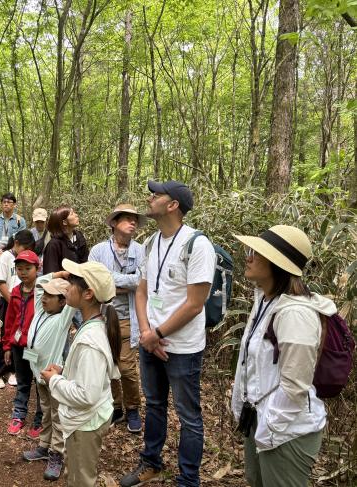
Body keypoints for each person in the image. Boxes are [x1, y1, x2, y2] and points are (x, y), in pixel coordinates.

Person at [120, 180, 215, 487]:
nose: (150, 198)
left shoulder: (197, 245)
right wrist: (147, 332)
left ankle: (188, 480)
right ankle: (151, 463)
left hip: (183, 348)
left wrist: (156, 332)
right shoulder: (151, 243)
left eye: (156, 195)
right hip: (152, 342)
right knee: (156, 405)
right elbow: (142, 292)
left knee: (188, 416)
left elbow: (195, 304)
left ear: (173, 205)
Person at [231, 225, 336, 487]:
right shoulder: (266, 299)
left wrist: (271, 427)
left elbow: (295, 385)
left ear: (278, 263)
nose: (249, 256)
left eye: (256, 252)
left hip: (286, 430)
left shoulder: (295, 314)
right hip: (262, 419)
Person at [41, 259, 121, 487]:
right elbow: (90, 374)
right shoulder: (93, 325)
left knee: (80, 480)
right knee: (76, 472)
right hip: (87, 420)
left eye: (73, 282)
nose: (66, 286)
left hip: (85, 424)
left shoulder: (89, 340)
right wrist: (66, 371)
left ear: (88, 294)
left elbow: (86, 395)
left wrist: (54, 380)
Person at [89, 204, 146, 433]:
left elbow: (143, 281)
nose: (132, 223)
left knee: (126, 367)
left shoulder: (142, 251)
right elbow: (94, 279)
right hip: (102, 316)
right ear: (114, 223)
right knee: (107, 364)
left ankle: (133, 408)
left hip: (128, 317)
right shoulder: (98, 251)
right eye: (127, 219)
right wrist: (127, 283)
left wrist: (112, 283)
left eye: (135, 220)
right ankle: (116, 406)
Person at [22, 272, 75, 481]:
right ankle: (44, 446)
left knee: (57, 415)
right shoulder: (40, 309)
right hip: (39, 374)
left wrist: (72, 281)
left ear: (63, 301)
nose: (44, 298)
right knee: (45, 411)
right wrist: (58, 275)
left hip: (53, 377)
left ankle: (57, 454)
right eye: (44, 295)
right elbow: (39, 284)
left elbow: (71, 299)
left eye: (50, 296)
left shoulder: (63, 318)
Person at [3, 250, 43, 437]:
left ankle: (40, 419)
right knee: (23, 382)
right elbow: (10, 320)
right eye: (19, 269)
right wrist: (7, 346)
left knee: (41, 384)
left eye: (28, 268)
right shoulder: (16, 292)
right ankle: (18, 415)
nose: (23, 272)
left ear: (37, 268)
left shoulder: (43, 292)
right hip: (19, 346)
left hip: (37, 347)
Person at [0, 230, 36, 389]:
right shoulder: (5, 258)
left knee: (20, 337)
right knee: (7, 336)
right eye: (26, 248)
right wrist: (15, 302)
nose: (28, 251)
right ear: (16, 243)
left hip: (23, 303)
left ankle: (13, 370)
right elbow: (1, 283)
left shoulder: (25, 259)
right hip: (9, 303)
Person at [41, 205, 88, 274]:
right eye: (72, 214)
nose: (76, 215)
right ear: (64, 222)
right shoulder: (54, 245)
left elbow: (85, 261)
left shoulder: (79, 236)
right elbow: (50, 273)